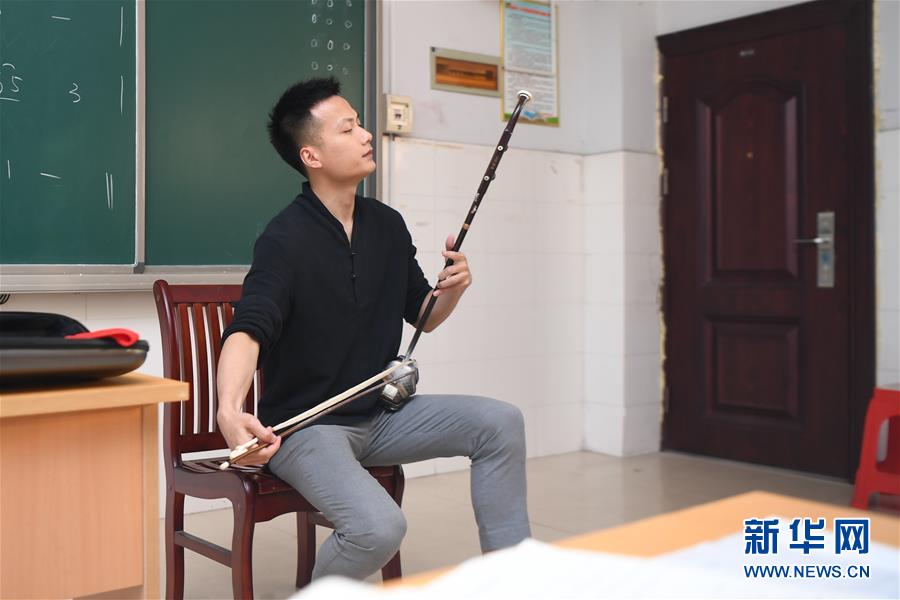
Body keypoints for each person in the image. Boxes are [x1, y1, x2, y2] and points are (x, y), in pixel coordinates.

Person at [216, 77, 530, 581]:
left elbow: (423, 315)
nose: (365, 135)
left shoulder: (387, 224)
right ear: (312, 156)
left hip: (383, 416)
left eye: (360, 124)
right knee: (378, 528)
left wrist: (453, 288)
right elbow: (248, 329)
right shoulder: (284, 238)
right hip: (307, 430)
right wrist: (229, 409)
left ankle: (516, 581)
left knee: (500, 423)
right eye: (348, 129)